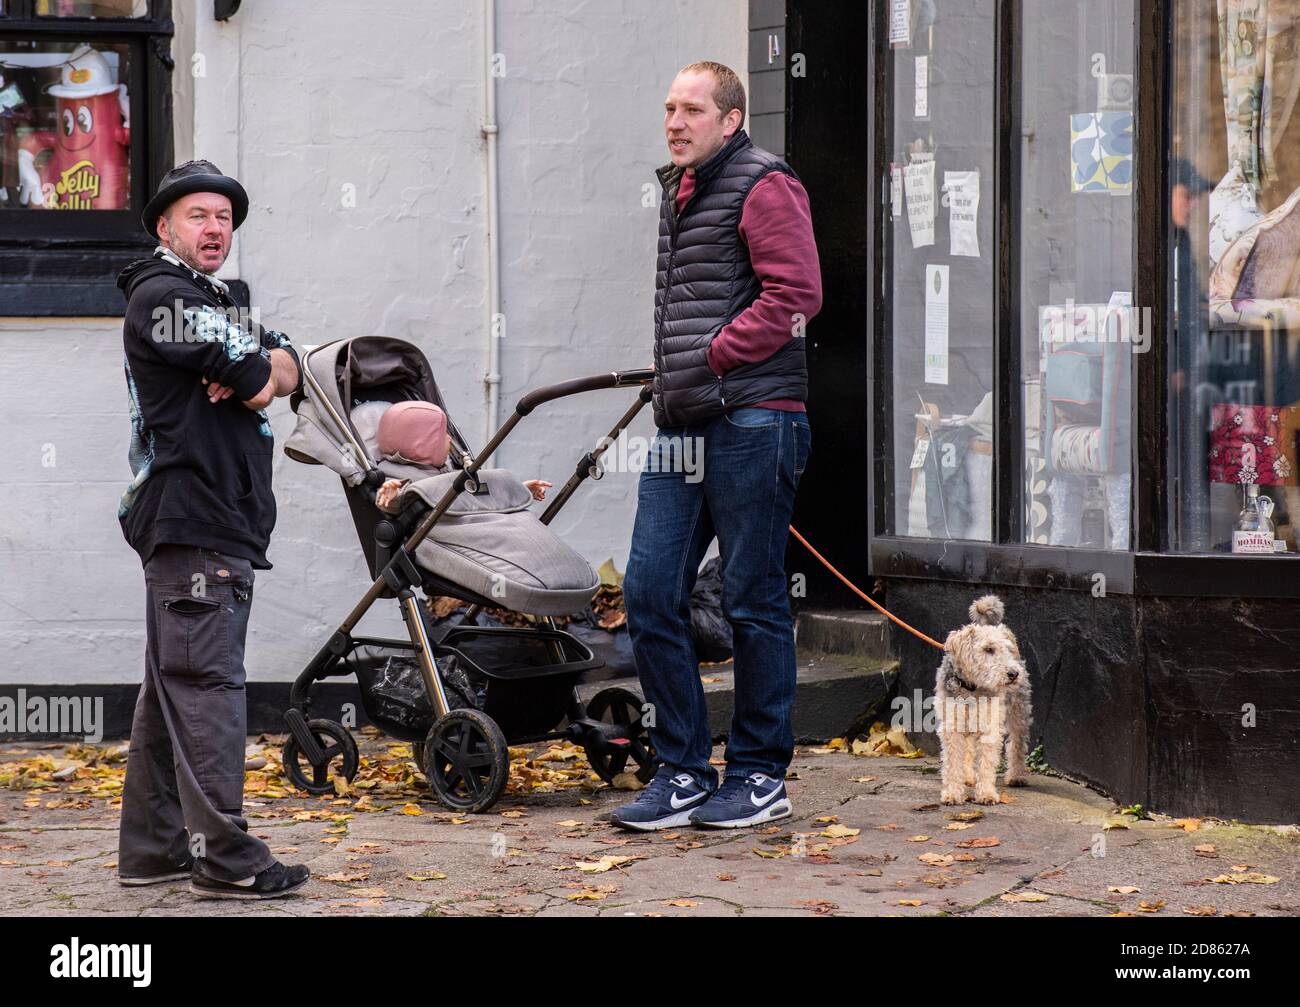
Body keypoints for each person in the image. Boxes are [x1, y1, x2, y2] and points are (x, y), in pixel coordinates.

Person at [611, 61, 821, 831]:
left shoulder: (765, 183)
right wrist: (680, 377)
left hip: (754, 418)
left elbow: (796, 296)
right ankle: (684, 769)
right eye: (669, 106)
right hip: (682, 423)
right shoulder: (681, 187)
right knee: (648, 589)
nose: (675, 120)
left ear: (731, 119)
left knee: (753, 598)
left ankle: (761, 772)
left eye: (692, 109)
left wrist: (716, 354)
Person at [115, 160, 311, 899]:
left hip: (207, 517)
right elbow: (264, 380)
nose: (215, 228)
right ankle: (226, 861)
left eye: (224, 218)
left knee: (172, 688)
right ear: (165, 227)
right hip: (193, 513)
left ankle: (154, 849)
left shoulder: (215, 299)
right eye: (198, 215)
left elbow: (287, 359)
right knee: (207, 687)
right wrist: (260, 365)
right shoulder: (164, 298)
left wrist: (263, 360)